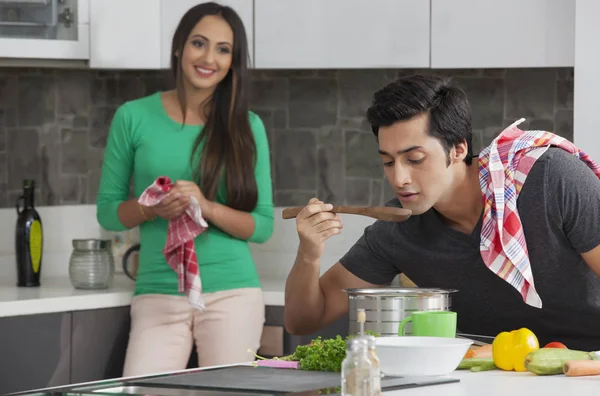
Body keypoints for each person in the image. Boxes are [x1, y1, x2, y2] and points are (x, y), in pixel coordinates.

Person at [284, 74, 600, 351]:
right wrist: (309, 254)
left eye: (415, 158)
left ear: (458, 148)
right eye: (388, 161)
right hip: (487, 376)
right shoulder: (397, 228)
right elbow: (303, 320)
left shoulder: (549, 180)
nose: (399, 179)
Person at [96, 2, 274, 376]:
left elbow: (262, 226)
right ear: (179, 47)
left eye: (223, 49)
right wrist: (152, 208)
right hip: (158, 291)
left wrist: (205, 206)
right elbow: (109, 213)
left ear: (232, 61)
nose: (209, 57)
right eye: (199, 43)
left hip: (233, 293)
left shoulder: (247, 126)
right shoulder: (133, 116)